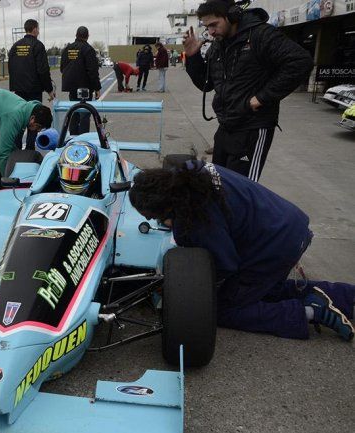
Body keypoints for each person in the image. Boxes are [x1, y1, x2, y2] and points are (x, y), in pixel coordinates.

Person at [129, 160, 355, 342]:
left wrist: (185, 288)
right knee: (267, 291)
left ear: (166, 206)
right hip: (288, 226)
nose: (152, 219)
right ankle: (348, 297)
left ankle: (310, 311)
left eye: (153, 215)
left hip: (276, 246)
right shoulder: (189, 175)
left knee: (222, 307)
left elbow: (225, 265)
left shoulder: (198, 217)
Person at [183, 0, 313, 181]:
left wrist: (262, 97)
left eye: (214, 25)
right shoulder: (218, 45)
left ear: (232, 16)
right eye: (207, 27)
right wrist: (193, 57)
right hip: (225, 127)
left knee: (241, 191)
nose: (211, 32)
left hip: (253, 127)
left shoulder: (261, 34)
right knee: (217, 185)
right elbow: (206, 84)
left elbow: (300, 62)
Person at [9, 19, 55, 148]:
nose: (38, 31)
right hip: (34, 90)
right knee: (35, 121)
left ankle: (16, 150)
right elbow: (43, 70)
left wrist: (14, 86)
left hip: (18, 91)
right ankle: (30, 149)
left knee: (20, 120)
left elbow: (11, 67)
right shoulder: (38, 45)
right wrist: (49, 89)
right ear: (34, 29)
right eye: (38, 29)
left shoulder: (15, 46)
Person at [60, 26, 102, 135]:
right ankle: (83, 138)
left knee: (73, 112)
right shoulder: (88, 49)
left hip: (72, 87)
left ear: (76, 35)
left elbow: (62, 68)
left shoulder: (67, 49)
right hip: (85, 88)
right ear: (87, 36)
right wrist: (97, 88)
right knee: (84, 114)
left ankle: (73, 137)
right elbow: (92, 71)